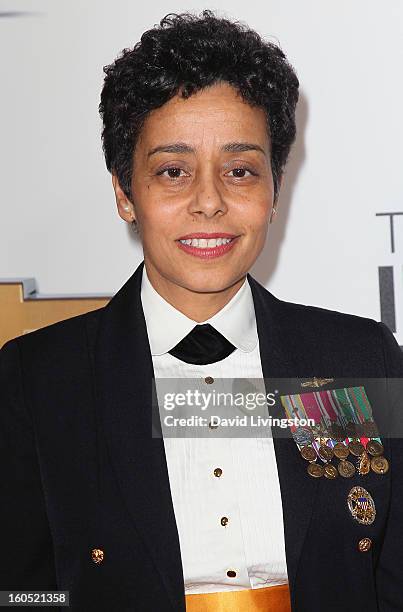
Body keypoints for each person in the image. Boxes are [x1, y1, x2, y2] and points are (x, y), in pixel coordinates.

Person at [1, 9, 403, 612]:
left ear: (274, 189)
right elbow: (20, 591)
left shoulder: (358, 358)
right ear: (124, 193)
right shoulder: (39, 378)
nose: (209, 202)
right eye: (173, 171)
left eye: (240, 170)